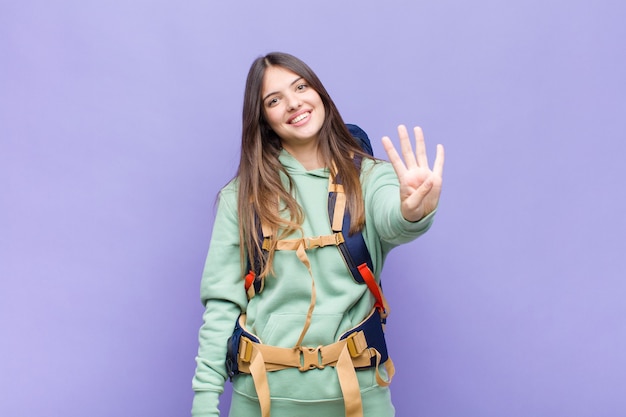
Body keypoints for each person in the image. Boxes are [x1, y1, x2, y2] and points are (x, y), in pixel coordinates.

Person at [192, 52, 444, 417]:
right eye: (274, 100)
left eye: (301, 87)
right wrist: (204, 402)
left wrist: (413, 209)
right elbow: (222, 304)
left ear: (320, 93)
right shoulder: (241, 196)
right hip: (260, 398)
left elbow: (394, 220)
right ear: (263, 119)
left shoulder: (371, 177)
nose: (294, 103)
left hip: (359, 395)